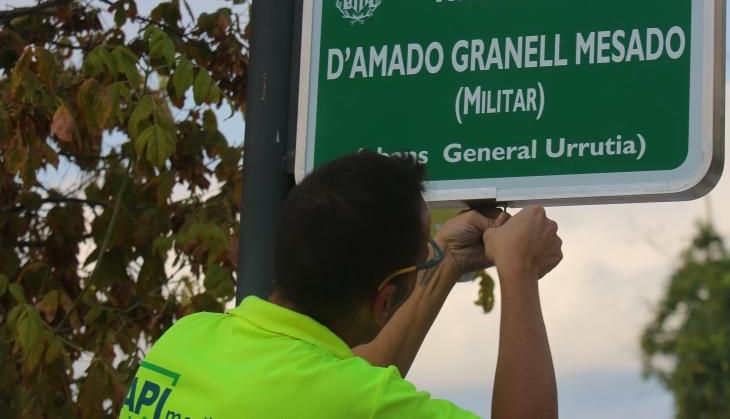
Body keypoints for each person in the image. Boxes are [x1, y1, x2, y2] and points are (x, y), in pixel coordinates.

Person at [120, 150, 563, 418]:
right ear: (385, 299)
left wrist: (445, 261)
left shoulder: (183, 341)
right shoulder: (356, 402)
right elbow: (349, 394)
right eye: (420, 258)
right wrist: (518, 269)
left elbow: (336, 385)